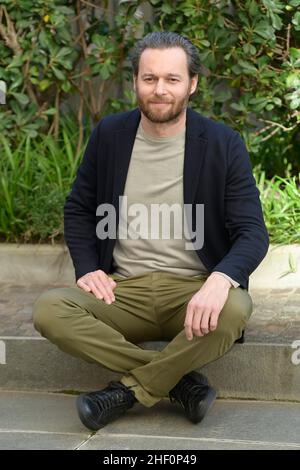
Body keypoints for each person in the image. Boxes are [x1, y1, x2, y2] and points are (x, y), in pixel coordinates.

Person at [33, 31, 269, 431]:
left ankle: (126, 391)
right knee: (50, 310)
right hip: (123, 291)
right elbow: (78, 208)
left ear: (192, 84)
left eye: (172, 79)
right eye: (149, 78)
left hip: (192, 291)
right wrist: (88, 267)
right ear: (136, 82)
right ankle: (177, 383)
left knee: (235, 309)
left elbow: (252, 231)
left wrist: (220, 279)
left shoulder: (222, 143)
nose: (160, 90)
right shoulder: (110, 135)